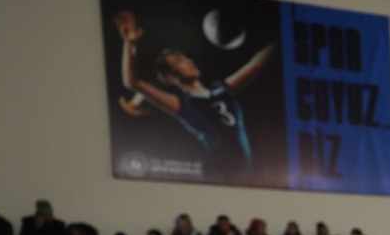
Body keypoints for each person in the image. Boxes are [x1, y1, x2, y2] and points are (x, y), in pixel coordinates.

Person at [114, 9, 275, 178]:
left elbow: (256, 65)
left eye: (185, 58)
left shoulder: (221, 89)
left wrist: (286, 39)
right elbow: (132, 82)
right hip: (220, 172)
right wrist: (129, 43)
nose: (188, 61)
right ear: (171, 76)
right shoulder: (182, 105)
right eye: (178, 61)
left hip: (246, 171)